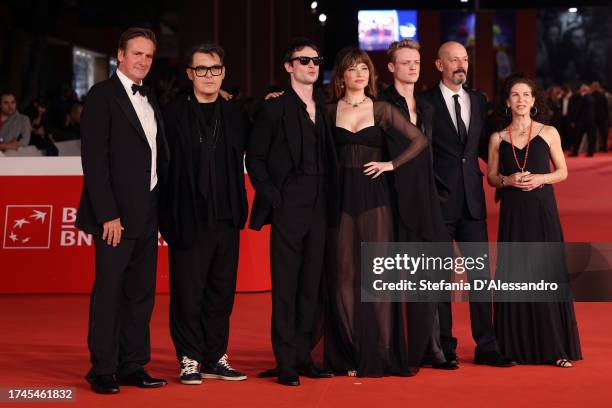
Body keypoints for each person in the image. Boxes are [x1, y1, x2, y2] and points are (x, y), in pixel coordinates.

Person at [323, 47, 448, 377]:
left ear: (371, 74)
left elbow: (419, 141)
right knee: (343, 277)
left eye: (363, 68)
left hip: (375, 197)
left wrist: (390, 164)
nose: (359, 73)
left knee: (377, 278)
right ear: (342, 76)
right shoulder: (327, 111)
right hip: (340, 198)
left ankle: (381, 351)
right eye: (352, 69)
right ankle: (350, 352)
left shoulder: (380, 109)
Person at [75, 27, 169, 394]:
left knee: (141, 293)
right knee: (110, 293)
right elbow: (94, 162)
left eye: (148, 55)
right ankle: (102, 369)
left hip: (147, 212)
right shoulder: (102, 96)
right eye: (137, 54)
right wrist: (107, 214)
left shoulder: (151, 98)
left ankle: (133, 364)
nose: (143, 61)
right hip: (115, 217)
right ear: (120, 55)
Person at [246, 37, 338, 387]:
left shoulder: (325, 107)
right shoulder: (273, 108)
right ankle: (285, 361)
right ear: (289, 67)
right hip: (289, 205)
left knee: (312, 286)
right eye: (303, 61)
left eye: (316, 60)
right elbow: (255, 158)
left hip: (321, 205)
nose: (312, 66)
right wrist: (275, 197)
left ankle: (304, 356)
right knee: (285, 285)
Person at [418, 41, 514, 367]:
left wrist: (508, 176)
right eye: (454, 59)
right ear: (438, 64)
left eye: (465, 59)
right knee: (440, 279)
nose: (461, 64)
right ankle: (445, 347)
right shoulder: (424, 102)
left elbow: (484, 148)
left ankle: (486, 345)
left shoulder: (478, 99)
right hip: (438, 202)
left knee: (480, 277)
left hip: (473, 201)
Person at [160, 43, 248, 385]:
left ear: (223, 73)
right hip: (186, 216)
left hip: (226, 216)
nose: (208, 76)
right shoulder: (170, 114)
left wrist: (276, 103)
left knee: (221, 292)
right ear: (189, 74)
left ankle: (216, 356)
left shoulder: (237, 114)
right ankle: (189, 358)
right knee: (187, 292)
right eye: (200, 69)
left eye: (214, 69)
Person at [486, 74, 582, 367]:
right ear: (507, 102)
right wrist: (507, 179)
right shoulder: (497, 138)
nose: (521, 100)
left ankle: (556, 348)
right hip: (513, 214)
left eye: (526, 95)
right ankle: (513, 348)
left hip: (542, 212)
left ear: (534, 100)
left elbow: (563, 171)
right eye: (515, 95)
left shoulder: (549, 132)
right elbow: (491, 177)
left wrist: (541, 177)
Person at [377, 39, 456, 370]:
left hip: (426, 197)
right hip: (392, 196)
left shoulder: (427, 106)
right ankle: (395, 349)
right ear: (392, 67)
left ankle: (432, 347)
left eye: (416, 62)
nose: (412, 67)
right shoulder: (380, 103)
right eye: (405, 62)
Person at [571, 84, 597, 157]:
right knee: (590, 138)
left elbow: (578, 110)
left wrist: (574, 120)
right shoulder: (592, 98)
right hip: (591, 120)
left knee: (578, 137)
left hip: (582, 121)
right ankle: (590, 153)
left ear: (582, 90)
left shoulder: (582, 98)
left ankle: (575, 152)